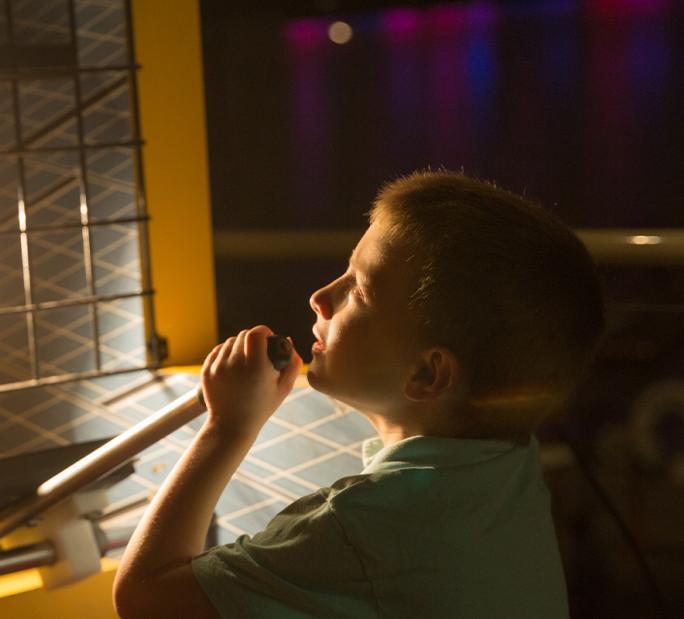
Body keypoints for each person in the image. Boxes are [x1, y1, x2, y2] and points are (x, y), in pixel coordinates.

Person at [112, 169, 604, 618]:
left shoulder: (360, 529)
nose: (321, 297)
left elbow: (144, 597)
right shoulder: (509, 464)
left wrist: (228, 426)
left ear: (428, 376)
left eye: (359, 291)